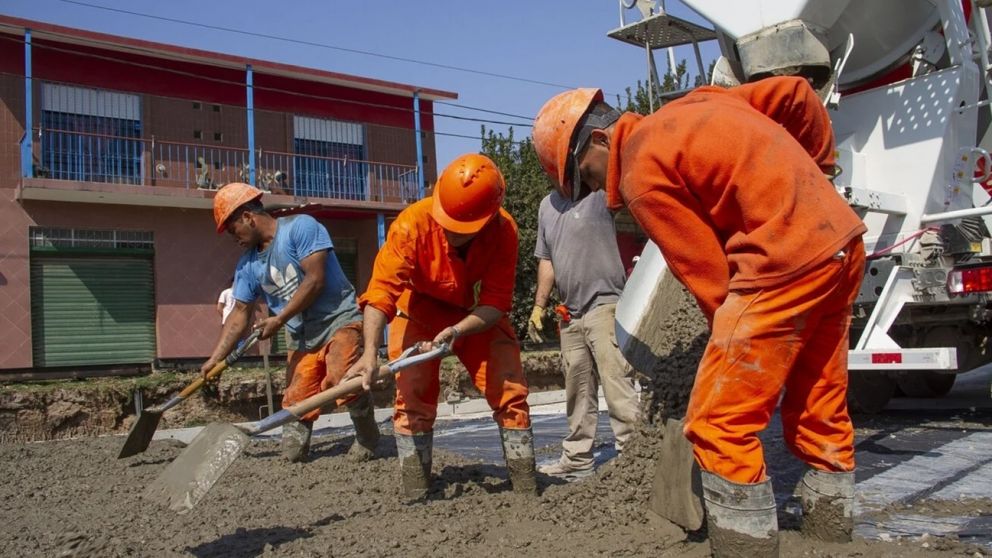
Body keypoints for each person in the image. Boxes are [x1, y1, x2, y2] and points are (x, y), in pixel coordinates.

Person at [532, 76, 867, 555]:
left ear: (602, 140)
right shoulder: (700, 101)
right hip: (840, 242)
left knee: (718, 424)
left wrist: (723, 354)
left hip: (781, 262)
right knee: (819, 397)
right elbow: (796, 94)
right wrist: (819, 171)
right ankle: (831, 532)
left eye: (586, 174)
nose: (594, 188)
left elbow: (712, 282)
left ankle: (745, 546)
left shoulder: (639, 172)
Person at [344, 153, 537, 501]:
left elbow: (496, 302)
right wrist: (370, 352)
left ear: (486, 220)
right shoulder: (411, 225)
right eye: (446, 222)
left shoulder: (504, 230)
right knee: (412, 395)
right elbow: (381, 292)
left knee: (509, 387)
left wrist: (458, 330)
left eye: (458, 228)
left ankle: (526, 489)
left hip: (474, 316)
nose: (448, 231)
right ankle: (416, 490)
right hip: (419, 311)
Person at [202, 182, 379, 463]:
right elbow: (239, 314)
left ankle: (368, 437)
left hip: (338, 319)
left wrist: (280, 319)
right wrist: (215, 359)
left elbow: (315, 279)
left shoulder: (300, 228)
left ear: (247, 216)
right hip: (302, 334)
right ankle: (294, 451)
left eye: (233, 229)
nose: (233, 238)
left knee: (343, 379)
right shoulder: (247, 265)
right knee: (297, 398)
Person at [528, 189, 639, 480]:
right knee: (576, 391)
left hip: (606, 304)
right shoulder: (547, 206)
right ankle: (577, 458)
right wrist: (539, 306)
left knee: (616, 384)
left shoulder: (601, 193)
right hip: (570, 314)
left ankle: (633, 456)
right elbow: (547, 260)